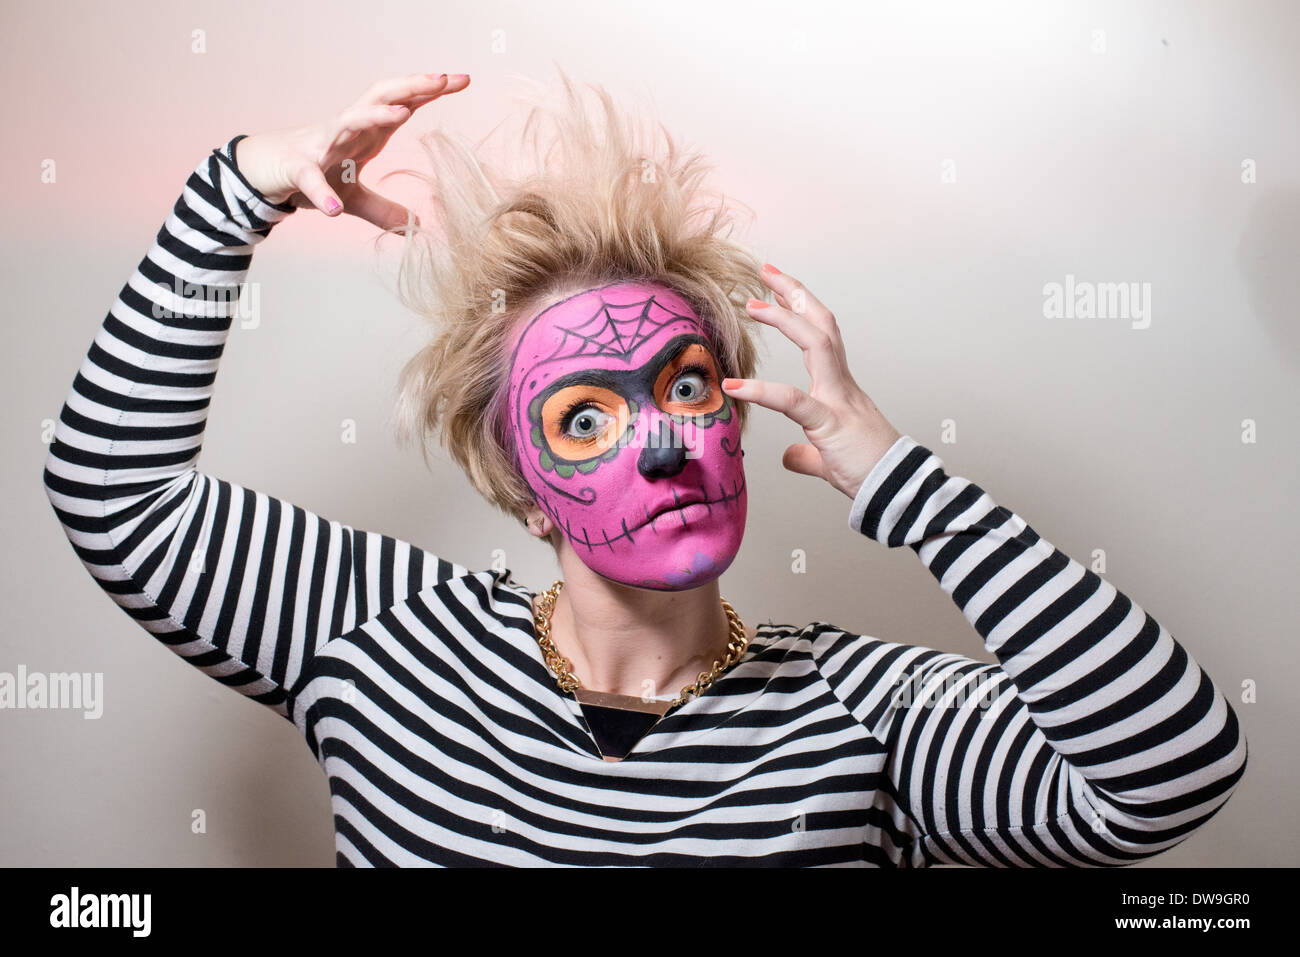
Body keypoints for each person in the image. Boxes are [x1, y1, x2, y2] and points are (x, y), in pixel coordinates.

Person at [42, 70, 1247, 866]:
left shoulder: (865, 715)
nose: (666, 436)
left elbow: (1170, 770)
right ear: (516, 482)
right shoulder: (387, 639)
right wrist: (232, 194)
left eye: (685, 386)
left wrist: (899, 480)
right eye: (582, 417)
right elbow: (112, 491)